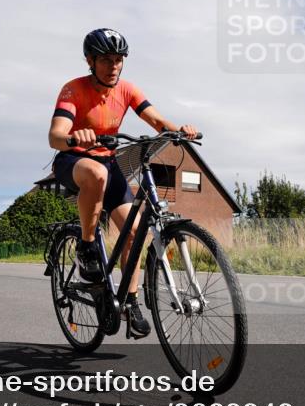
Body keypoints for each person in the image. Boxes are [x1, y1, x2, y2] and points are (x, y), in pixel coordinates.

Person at [47, 28, 198, 339]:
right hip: (73, 160)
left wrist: (179, 130)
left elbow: (156, 121)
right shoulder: (73, 90)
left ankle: (130, 303)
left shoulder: (127, 90)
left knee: (133, 231)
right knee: (97, 174)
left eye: (118, 60)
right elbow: (55, 135)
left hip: (107, 161)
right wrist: (76, 136)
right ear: (90, 60)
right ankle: (87, 247)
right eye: (105, 59)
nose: (113, 66)